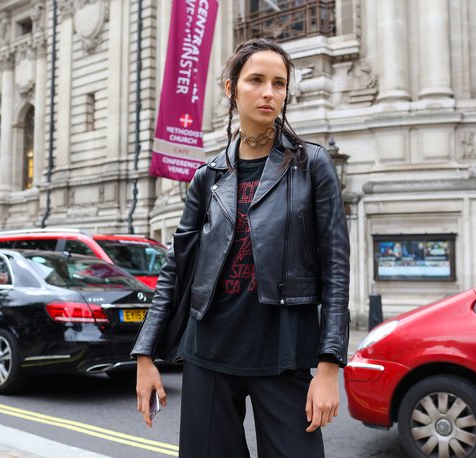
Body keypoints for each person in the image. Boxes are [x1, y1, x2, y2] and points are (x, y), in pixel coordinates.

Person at [132, 38, 350, 458]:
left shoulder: (313, 165)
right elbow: (176, 270)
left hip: (284, 353)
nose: (269, 92)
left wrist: (328, 365)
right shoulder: (207, 176)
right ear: (231, 88)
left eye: (279, 83)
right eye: (256, 80)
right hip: (208, 352)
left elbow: (336, 269)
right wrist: (145, 355)